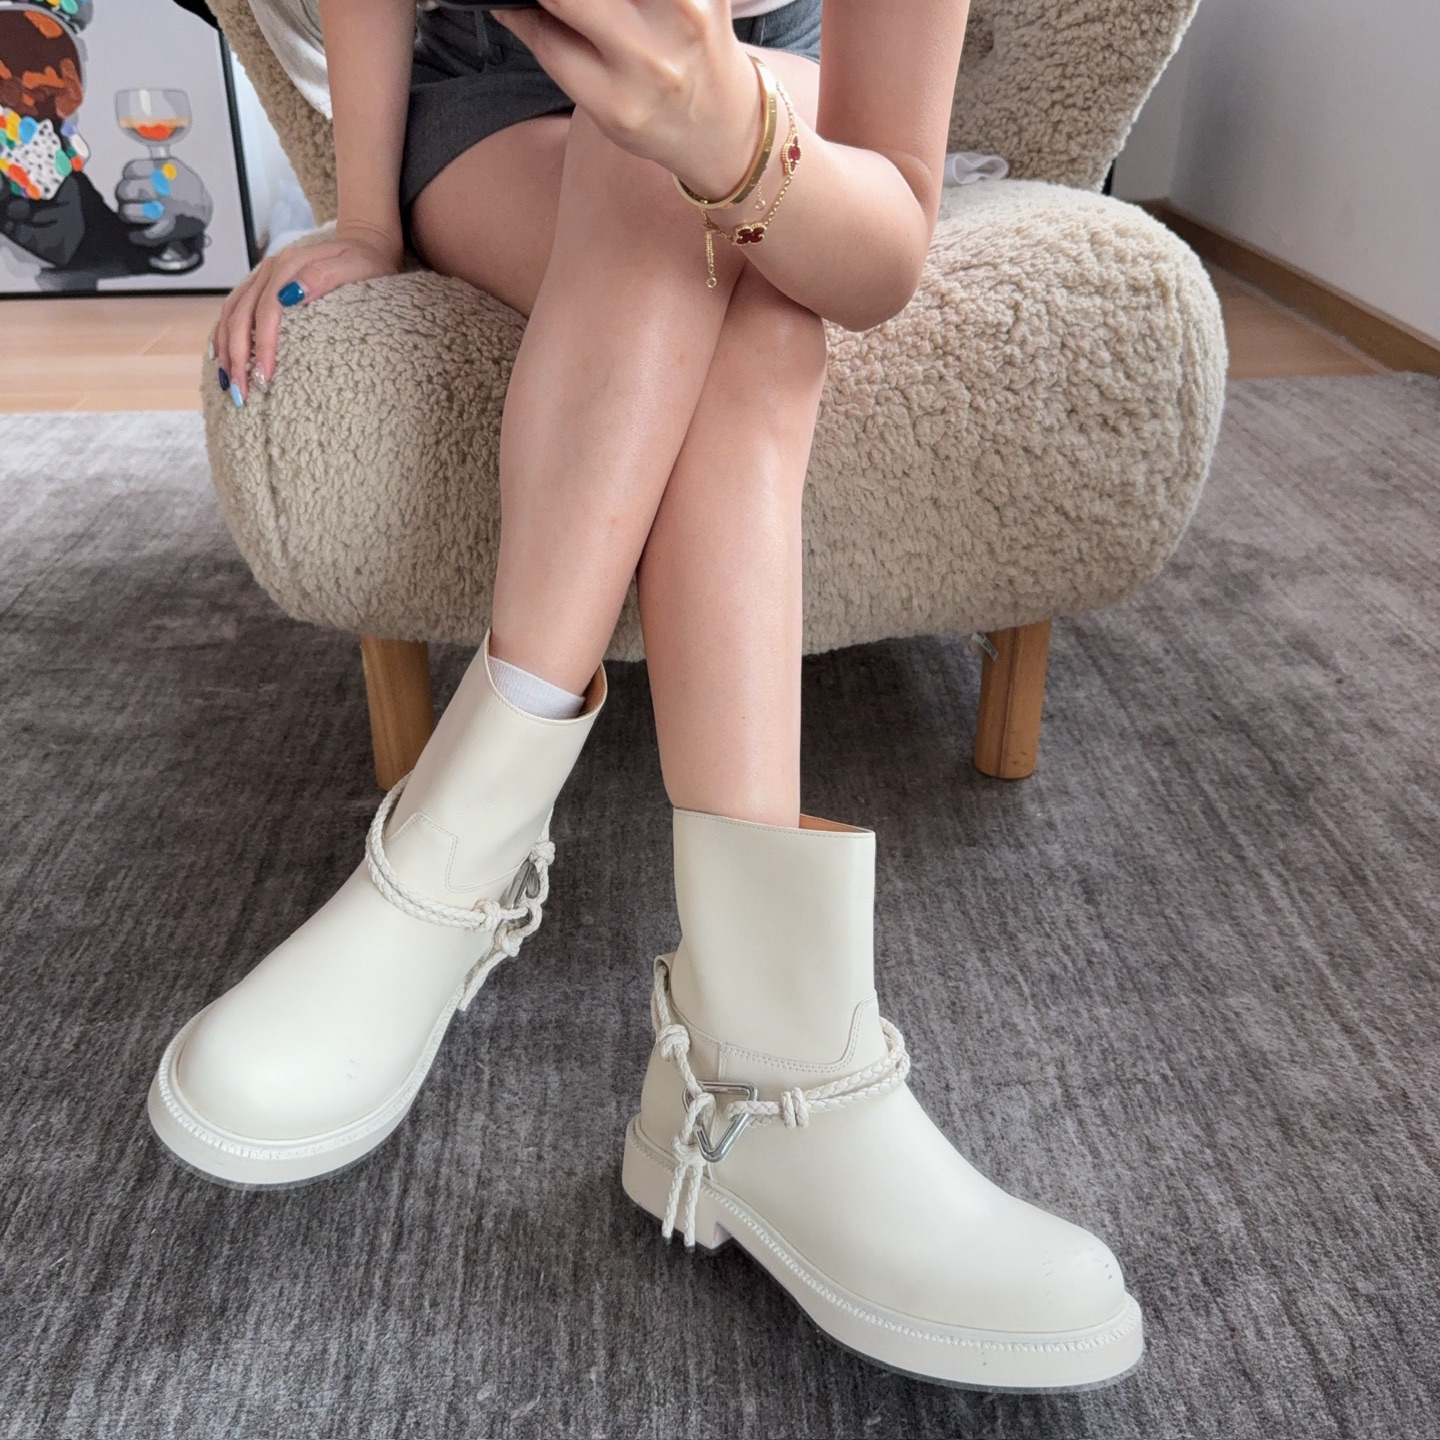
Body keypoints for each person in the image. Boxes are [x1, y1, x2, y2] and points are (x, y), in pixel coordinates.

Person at [147, 0, 1144, 1389]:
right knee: (664, 171)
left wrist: (725, 128)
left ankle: (453, 864)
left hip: (786, 84)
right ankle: (761, 1077)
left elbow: (882, 251)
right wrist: (364, 219)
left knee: (719, 229)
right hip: (489, 105)